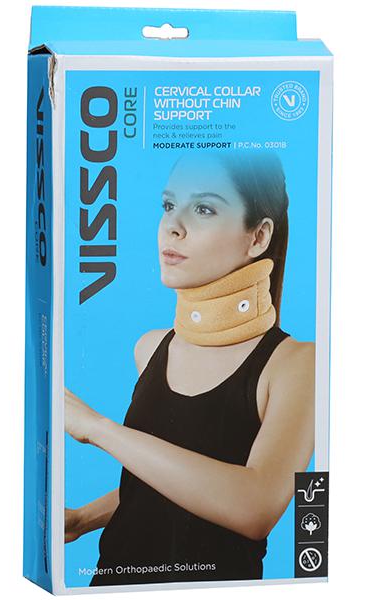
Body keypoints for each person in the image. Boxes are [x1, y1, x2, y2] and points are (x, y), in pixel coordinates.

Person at [64, 151, 315, 585]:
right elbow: (168, 481)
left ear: (258, 237)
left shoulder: (296, 364)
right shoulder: (151, 348)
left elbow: (254, 507)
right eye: (168, 205)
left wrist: (98, 429)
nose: (172, 225)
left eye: (204, 209)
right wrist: (83, 519)